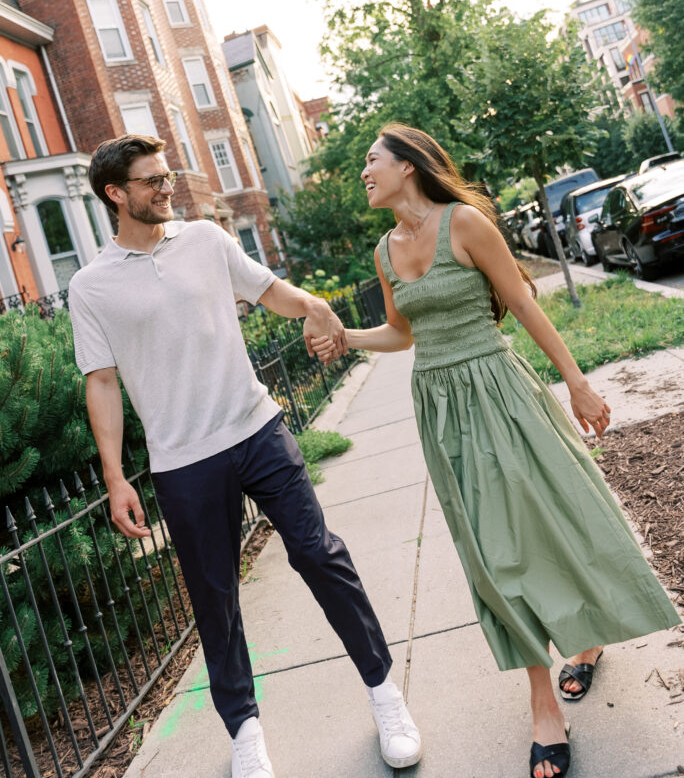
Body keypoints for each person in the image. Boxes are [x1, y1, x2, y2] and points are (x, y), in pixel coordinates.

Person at [311, 123, 680, 778]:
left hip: (502, 392)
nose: (363, 173)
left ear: (409, 166)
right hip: (442, 409)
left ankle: (588, 636)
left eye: (371, 161)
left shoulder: (466, 224)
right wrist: (347, 339)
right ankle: (543, 702)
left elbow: (523, 304)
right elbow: (402, 335)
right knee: (491, 554)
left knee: (555, 519)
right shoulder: (385, 250)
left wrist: (578, 384)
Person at [68, 134, 422, 778]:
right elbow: (101, 382)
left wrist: (315, 307)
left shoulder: (205, 240)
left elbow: (270, 291)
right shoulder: (91, 287)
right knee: (215, 598)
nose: (166, 186)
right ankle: (246, 733)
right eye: (151, 180)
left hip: (256, 429)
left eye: (166, 173)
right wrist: (116, 475)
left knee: (319, 554)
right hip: (182, 461)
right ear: (116, 194)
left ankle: (383, 692)